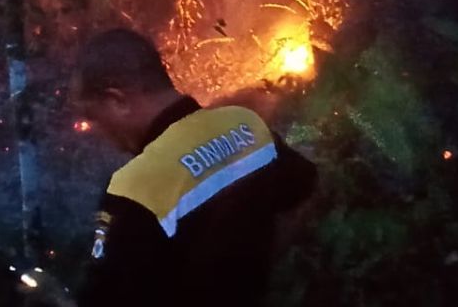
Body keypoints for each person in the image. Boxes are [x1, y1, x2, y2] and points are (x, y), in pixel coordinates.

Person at [71, 28, 316, 307]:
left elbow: (105, 298)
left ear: (118, 100)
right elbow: (304, 185)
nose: (96, 130)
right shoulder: (245, 124)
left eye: (93, 117)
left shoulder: (133, 189)